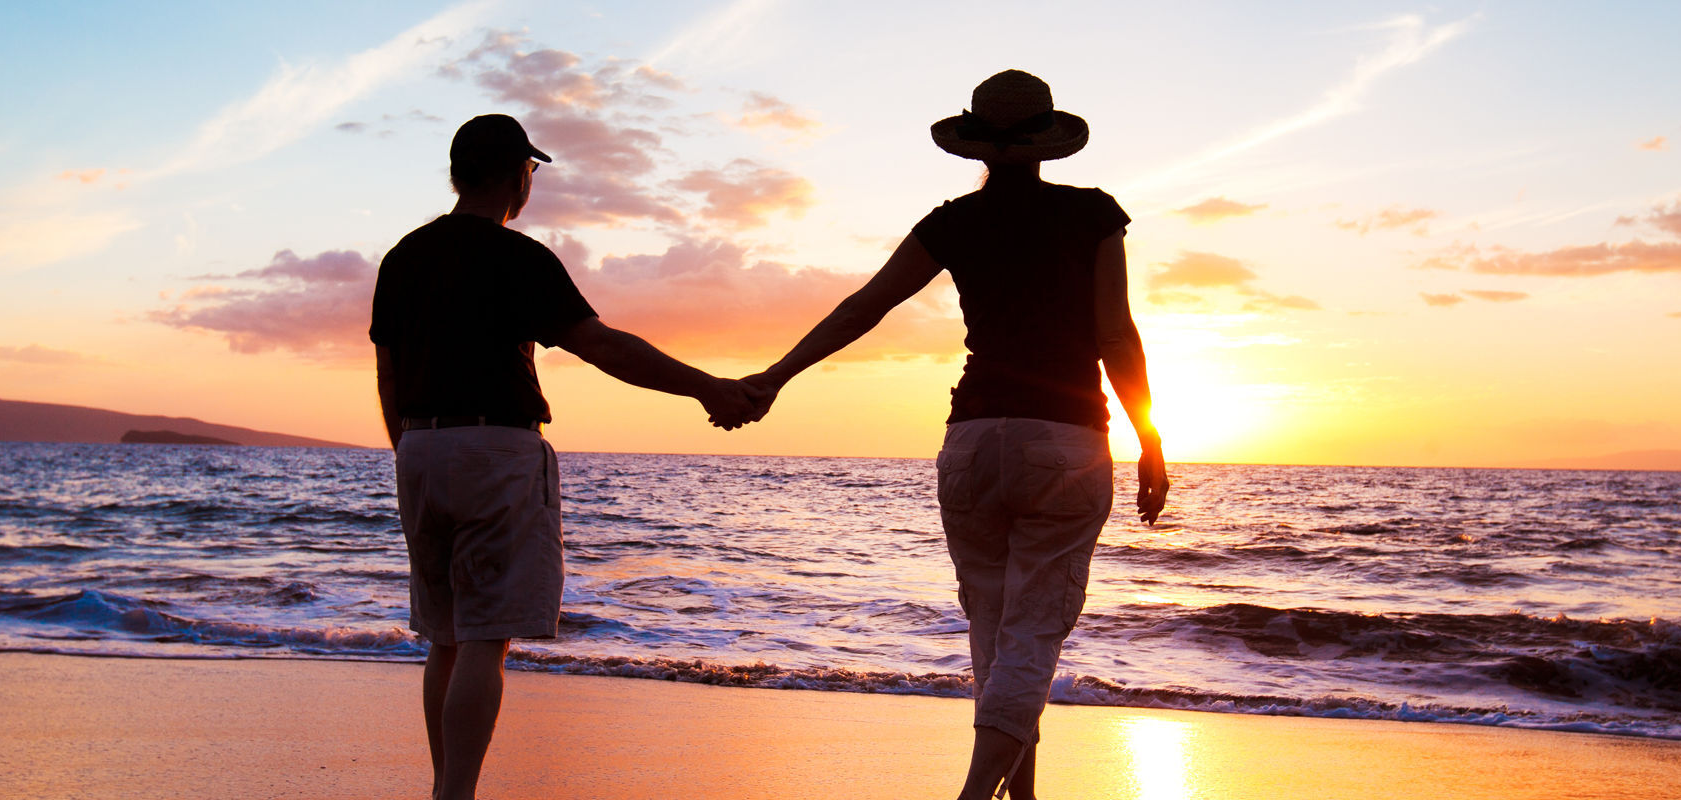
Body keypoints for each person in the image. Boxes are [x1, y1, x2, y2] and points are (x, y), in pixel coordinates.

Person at [741, 70, 1168, 799]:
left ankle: (1022, 795)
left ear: (978, 143)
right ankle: (976, 794)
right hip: (1063, 439)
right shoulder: (1092, 215)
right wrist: (1150, 440)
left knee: (997, 633)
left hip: (972, 442)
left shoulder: (953, 223)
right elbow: (1115, 336)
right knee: (1031, 633)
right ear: (1044, 143)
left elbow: (862, 308)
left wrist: (775, 376)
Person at [368, 113, 762, 800]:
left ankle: (444, 789)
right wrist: (708, 386)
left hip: (419, 446)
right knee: (487, 636)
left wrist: (412, 448)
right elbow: (603, 347)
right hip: (496, 446)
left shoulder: (403, 256)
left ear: (458, 172)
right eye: (530, 170)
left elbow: (388, 373)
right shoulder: (516, 257)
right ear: (515, 174)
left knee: (446, 635)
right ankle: (454, 794)